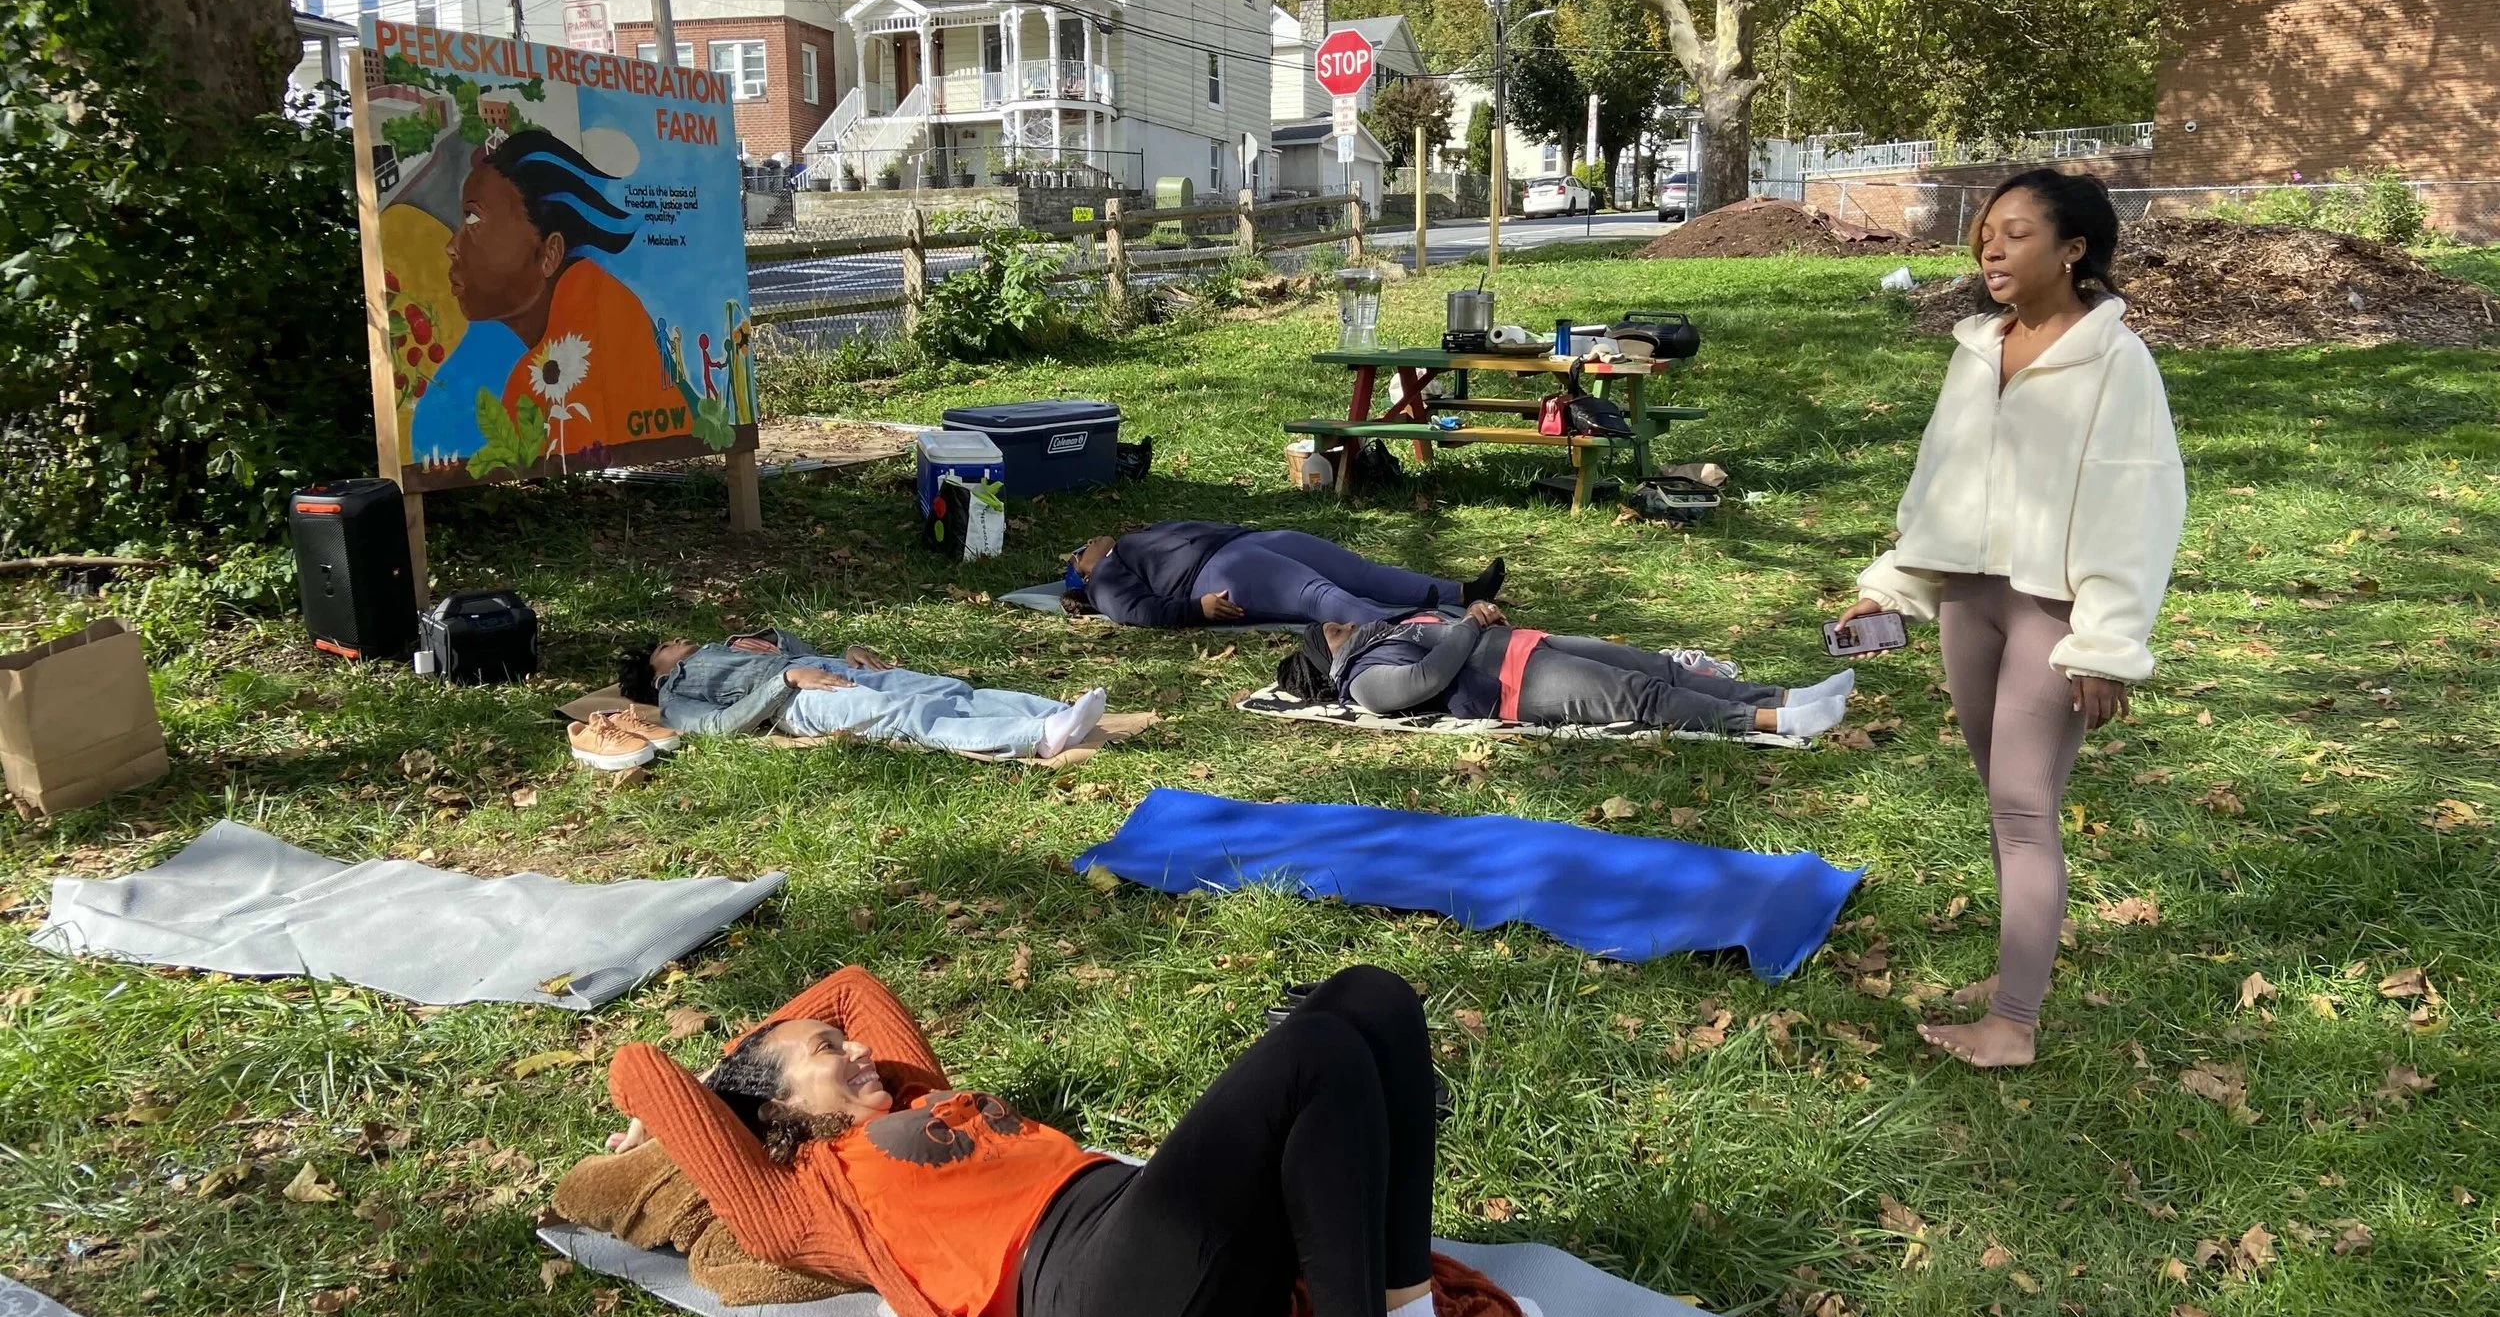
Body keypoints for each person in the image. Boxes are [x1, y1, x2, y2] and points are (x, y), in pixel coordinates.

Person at [605, 965, 1557, 1317]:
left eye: (840, 1040)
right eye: (824, 1051)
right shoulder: (812, 1195)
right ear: (775, 1105)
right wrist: (726, 1081)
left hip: (1150, 1228)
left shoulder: (913, 1086)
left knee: (1374, 999)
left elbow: (855, 984)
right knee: (1314, 1057)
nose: (853, 1044)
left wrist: (790, 1051)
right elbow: (638, 1069)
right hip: (1102, 1308)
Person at [1837, 169, 2185, 1070]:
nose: (1991, 246)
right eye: (1986, 231)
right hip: (1967, 602)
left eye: (2016, 232)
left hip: (2053, 612)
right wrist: (1891, 587)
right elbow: (1938, 482)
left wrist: (2105, 642)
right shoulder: (1975, 349)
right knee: (2003, 805)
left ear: (2073, 250)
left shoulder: (2117, 361)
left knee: (2025, 806)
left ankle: (2014, 1024)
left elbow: (2135, 507)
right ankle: (2011, 982)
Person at [448, 129, 685, 462]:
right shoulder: (598, 299)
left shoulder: (541, 379)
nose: (452, 247)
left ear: (550, 254)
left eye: (473, 218)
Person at [1280, 605, 1857, 741]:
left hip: (1531, 645)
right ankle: (1774, 719)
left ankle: (1787, 692)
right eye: (1332, 629)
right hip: (1515, 686)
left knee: (1656, 666)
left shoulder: (1389, 626)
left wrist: (1471, 616)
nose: (1345, 623)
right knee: (1641, 695)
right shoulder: (1362, 679)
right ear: (1325, 651)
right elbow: (1425, 680)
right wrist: (1467, 626)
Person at [615, 629, 1108, 759]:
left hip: (826, 671)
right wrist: (783, 681)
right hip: (801, 701)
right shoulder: (675, 697)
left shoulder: (728, 645)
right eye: (664, 647)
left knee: (947, 688)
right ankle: (1038, 735)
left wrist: (811, 650)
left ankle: (1058, 712)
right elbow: (722, 725)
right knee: (914, 716)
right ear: (656, 673)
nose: (677, 642)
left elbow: (795, 651)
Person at [1062, 521, 1505, 628]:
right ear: (1083, 573)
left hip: (1246, 540)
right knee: (1317, 594)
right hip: (1216, 571)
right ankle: (1415, 627)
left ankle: (1461, 592)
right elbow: (1138, 611)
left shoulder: (1130, 542)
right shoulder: (1104, 579)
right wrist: (1197, 609)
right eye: (1080, 551)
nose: (1089, 542)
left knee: (1358, 570)